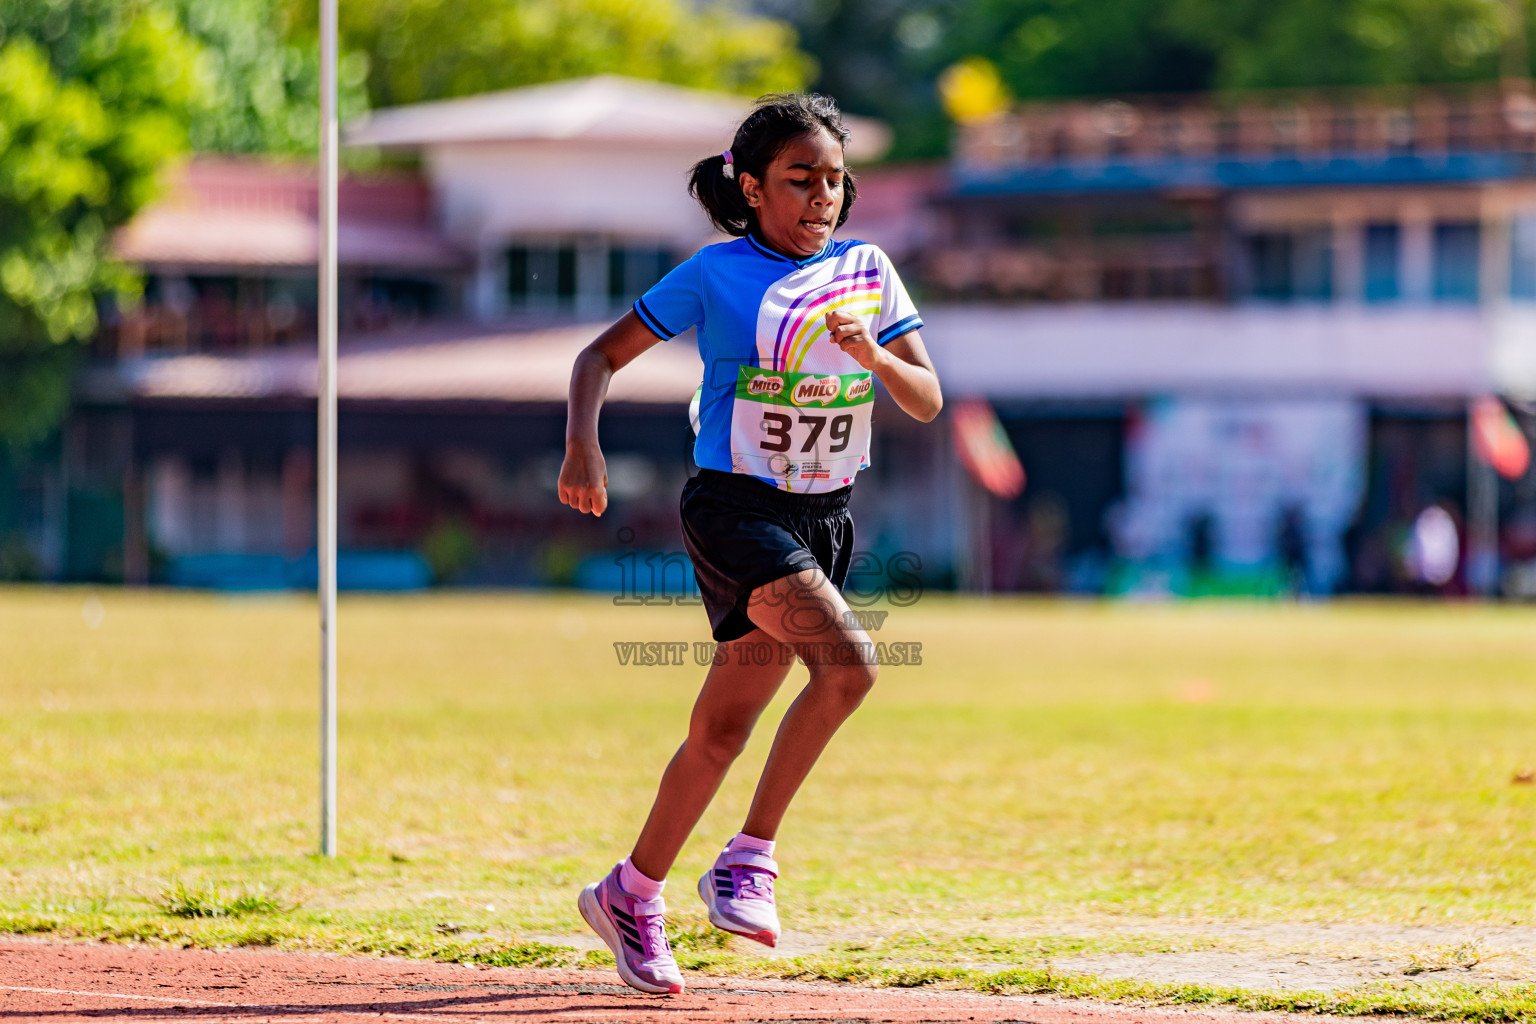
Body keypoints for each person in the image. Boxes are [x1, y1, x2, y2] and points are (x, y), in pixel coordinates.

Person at [557, 93, 943, 995]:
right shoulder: (714, 272)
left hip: (826, 516)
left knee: (722, 730)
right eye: (800, 180)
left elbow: (925, 399)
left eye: (836, 182)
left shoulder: (871, 270)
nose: (822, 198)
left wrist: (877, 357)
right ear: (752, 186)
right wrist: (583, 443)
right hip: (735, 508)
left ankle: (630, 891)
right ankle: (749, 860)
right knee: (849, 667)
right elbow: (597, 359)